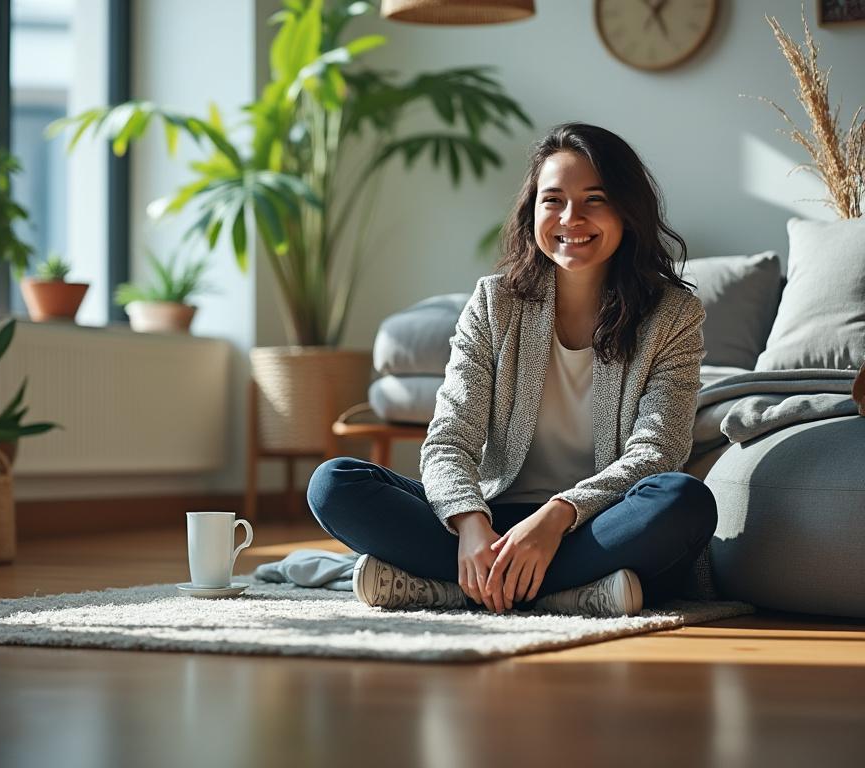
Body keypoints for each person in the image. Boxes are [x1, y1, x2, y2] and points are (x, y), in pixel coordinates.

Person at [306, 122, 717, 617]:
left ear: (628, 211)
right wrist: (470, 525)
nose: (571, 217)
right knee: (334, 483)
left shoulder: (672, 314)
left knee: (683, 500)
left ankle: (456, 589)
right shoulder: (494, 302)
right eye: (553, 200)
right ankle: (566, 591)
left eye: (595, 199)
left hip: (600, 521)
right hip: (495, 518)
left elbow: (658, 452)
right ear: (532, 209)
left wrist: (555, 518)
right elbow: (448, 440)